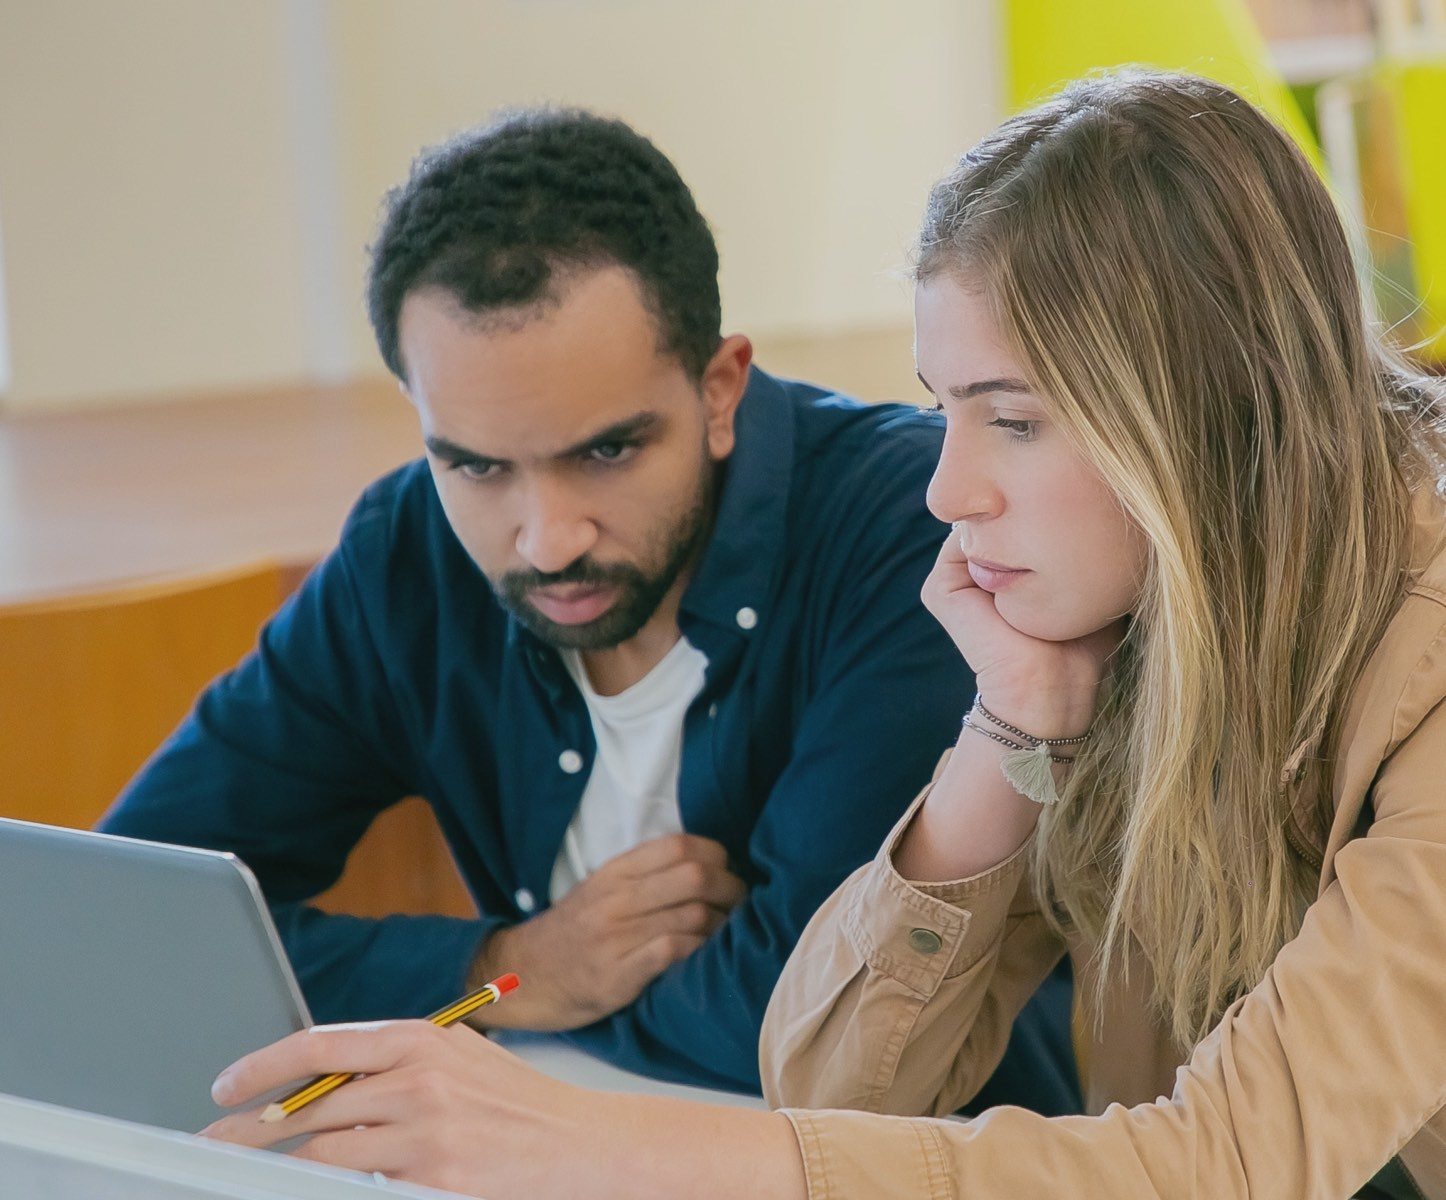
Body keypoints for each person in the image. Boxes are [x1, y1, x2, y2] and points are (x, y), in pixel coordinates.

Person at [203, 70, 1446, 1200]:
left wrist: (577, 1142)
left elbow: (1225, 1164)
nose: (948, 492)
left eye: (1011, 421)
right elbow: (836, 1089)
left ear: (1210, 415)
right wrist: (1007, 732)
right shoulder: (1113, 614)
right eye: (943, 410)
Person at [100, 107, 1075, 1106]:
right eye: (476, 464)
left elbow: (811, 1029)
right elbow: (127, 914)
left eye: (606, 451)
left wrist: (544, 998)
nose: (547, 537)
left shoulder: (911, 528)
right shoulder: (408, 550)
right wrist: (508, 970)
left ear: (721, 387)